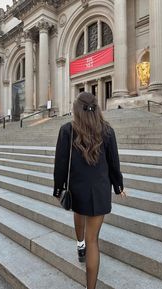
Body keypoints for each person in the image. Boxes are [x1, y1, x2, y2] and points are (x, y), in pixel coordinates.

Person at [53, 91, 126, 289]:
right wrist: (118, 186)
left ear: (76, 110)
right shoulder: (108, 131)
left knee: (79, 214)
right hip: (100, 190)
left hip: (77, 188)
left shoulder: (67, 130)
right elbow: (114, 163)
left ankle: (79, 246)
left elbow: (60, 164)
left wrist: (58, 188)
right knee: (93, 240)